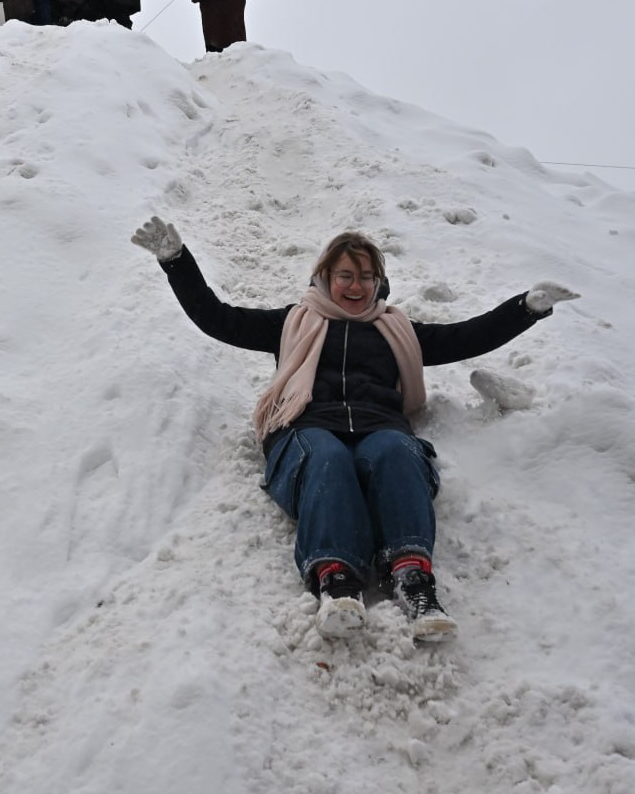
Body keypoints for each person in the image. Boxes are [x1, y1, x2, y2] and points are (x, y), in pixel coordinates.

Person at [131, 218, 579, 642]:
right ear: (324, 278)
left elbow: (467, 336)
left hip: (378, 427)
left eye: (366, 276)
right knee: (326, 458)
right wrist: (177, 262)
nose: (356, 285)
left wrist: (525, 309)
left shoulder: (396, 330)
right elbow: (218, 319)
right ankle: (337, 582)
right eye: (345, 275)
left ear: (378, 282)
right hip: (308, 428)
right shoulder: (292, 322)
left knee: (397, 452)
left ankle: (413, 580)